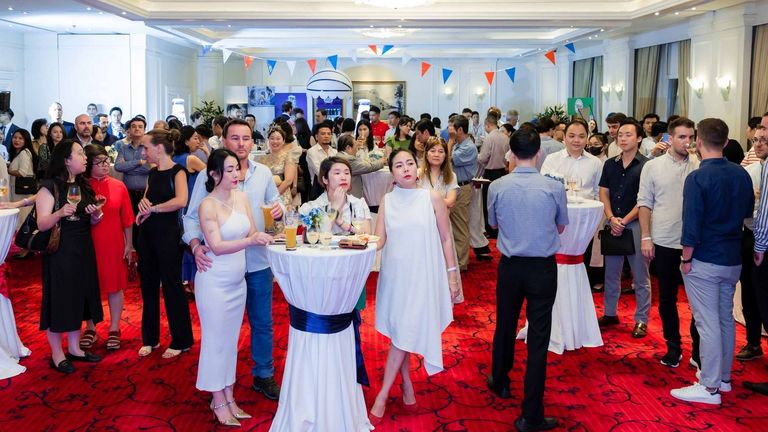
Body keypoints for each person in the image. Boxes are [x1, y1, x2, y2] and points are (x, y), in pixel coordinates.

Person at [184, 119, 283, 401]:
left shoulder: (263, 173)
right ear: (224, 141)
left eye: (246, 138)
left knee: (262, 322)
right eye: (235, 138)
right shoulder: (211, 175)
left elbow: (275, 207)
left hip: (257, 261)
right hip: (220, 265)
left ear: (253, 142)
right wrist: (195, 246)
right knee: (221, 330)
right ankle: (219, 386)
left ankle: (263, 375)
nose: (241, 143)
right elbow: (191, 217)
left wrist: (278, 213)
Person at [368, 149, 458, 425]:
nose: (406, 168)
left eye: (409, 163)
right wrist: (353, 235)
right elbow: (379, 240)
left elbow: (446, 238)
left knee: (404, 330)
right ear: (391, 173)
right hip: (395, 276)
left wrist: (452, 275)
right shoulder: (387, 200)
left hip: (422, 275)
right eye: (399, 165)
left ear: (416, 168)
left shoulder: (431, 197)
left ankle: (383, 394)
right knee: (400, 332)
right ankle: (406, 383)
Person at [486, 126, 567, 432]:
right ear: (539, 152)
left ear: (511, 152)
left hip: (510, 266)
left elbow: (493, 225)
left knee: (505, 324)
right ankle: (531, 414)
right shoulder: (553, 188)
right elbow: (561, 227)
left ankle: (500, 379)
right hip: (542, 268)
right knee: (538, 339)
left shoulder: (498, 186)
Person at [671, 118, 753, 404]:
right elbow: (747, 214)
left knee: (707, 323)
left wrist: (685, 258)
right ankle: (723, 379)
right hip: (732, 258)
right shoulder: (741, 174)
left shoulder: (697, 178)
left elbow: (691, 225)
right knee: (724, 319)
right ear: (726, 142)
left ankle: (709, 387)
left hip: (705, 258)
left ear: (698, 143)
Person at [196, 149, 266, 426]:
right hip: (214, 281)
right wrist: (251, 241)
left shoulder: (242, 197)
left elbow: (251, 232)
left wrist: (265, 235)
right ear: (214, 174)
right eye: (229, 169)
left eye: (237, 168)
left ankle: (229, 396)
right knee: (215, 342)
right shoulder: (207, 205)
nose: (236, 174)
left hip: (238, 282)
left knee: (230, 343)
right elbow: (216, 246)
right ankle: (218, 400)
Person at [37, 140, 105, 374]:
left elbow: (91, 221)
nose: (85, 158)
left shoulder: (83, 185)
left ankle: (75, 349)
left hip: (83, 250)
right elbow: (42, 223)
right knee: (60, 300)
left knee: (79, 297)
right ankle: (57, 354)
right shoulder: (49, 187)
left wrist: (95, 215)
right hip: (61, 252)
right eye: (80, 153)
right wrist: (59, 213)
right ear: (66, 159)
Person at [637, 117, 700, 368]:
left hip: (695, 241)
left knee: (697, 300)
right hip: (663, 239)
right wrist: (646, 236)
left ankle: (698, 350)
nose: (687, 142)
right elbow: (644, 203)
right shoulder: (653, 167)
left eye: (691, 137)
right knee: (667, 297)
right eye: (682, 137)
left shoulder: (700, 164)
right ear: (670, 138)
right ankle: (673, 346)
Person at [135, 128, 194, 359]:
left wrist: (154, 209)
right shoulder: (152, 173)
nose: (143, 152)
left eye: (146, 147)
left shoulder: (178, 171)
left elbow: (181, 200)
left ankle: (181, 339)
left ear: (159, 148)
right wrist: (142, 209)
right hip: (147, 233)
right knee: (148, 286)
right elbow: (146, 199)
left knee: (172, 286)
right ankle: (150, 338)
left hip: (168, 235)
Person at [597, 120, 651, 338]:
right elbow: (603, 192)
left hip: (636, 224)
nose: (623, 138)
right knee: (611, 273)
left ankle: (641, 319)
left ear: (639, 138)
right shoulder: (610, 164)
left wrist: (624, 220)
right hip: (613, 223)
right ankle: (610, 313)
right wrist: (611, 218)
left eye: (628, 134)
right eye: (620, 135)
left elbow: (646, 199)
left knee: (640, 276)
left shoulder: (647, 165)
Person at [82, 145, 134, 351]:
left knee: (114, 285)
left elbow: (127, 218)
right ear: (88, 165)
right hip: (87, 242)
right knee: (88, 285)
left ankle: (114, 327)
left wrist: (129, 244)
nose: (105, 165)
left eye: (106, 161)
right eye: (99, 162)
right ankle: (90, 327)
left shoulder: (118, 186)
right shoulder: (81, 186)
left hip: (113, 241)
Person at [419, 136, 464, 304]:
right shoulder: (418, 174)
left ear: (446, 155)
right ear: (426, 153)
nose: (436, 154)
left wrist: (428, 201)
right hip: (421, 227)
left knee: (444, 262)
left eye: (441, 151)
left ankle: (443, 302)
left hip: (442, 228)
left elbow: (451, 201)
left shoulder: (450, 176)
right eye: (432, 151)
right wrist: (439, 202)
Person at [736, 124, 768, 362]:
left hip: (763, 239)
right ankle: (753, 342)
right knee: (749, 291)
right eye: (755, 140)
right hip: (749, 235)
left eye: (763, 140)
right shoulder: (749, 171)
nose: (758, 144)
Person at [172, 125, 207, 289]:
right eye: (195, 138)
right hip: (193, 202)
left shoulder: (174, 157)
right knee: (194, 239)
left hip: (181, 204)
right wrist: (207, 152)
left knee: (185, 241)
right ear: (186, 141)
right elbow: (213, 174)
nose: (198, 141)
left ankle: (185, 281)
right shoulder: (191, 159)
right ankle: (194, 282)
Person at [540, 120, 602, 200]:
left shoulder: (595, 162)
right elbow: (544, 189)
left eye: (581, 136)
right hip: (559, 207)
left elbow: (598, 192)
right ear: (564, 137)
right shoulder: (551, 160)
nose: (576, 140)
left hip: (588, 207)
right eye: (572, 136)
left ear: (587, 139)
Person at [449, 115, 478, 271]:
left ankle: (461, 263)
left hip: (462, 188)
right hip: (455, 188)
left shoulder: (468, 147)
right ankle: (456, 259)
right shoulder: (459, 144)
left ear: (459, 129)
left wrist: (450, 142)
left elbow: (448, 159)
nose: (448, 130)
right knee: (453, 226)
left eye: (451, 127)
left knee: (460, 226)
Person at [336, 134, 387, 199]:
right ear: (348, 148)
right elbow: (368, 167)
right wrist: (381, 161)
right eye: (356, 146)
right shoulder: (348, 160)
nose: (357, 149)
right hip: (349, 196)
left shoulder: (339, 156)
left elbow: (363, 162)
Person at [259, 127, 297, 208]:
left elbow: (288, 181)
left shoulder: (288, 157)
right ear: (268, 140)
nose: (275, 141)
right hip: (265, 196)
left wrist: (273, 196)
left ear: (283, 141)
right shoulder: (262, 159)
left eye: (278, 139)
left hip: (281, 196)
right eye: (272, 138)